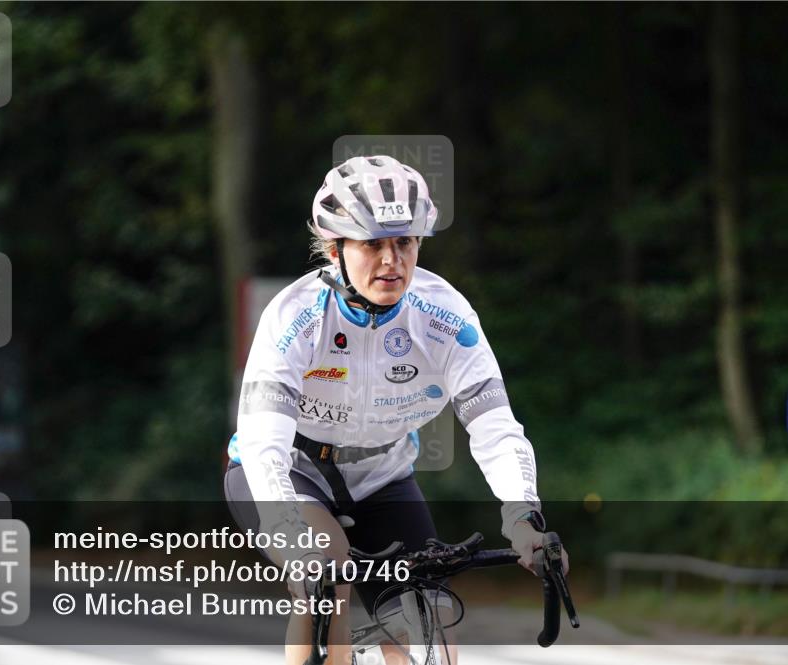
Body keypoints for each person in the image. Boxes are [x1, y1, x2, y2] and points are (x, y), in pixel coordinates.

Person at [224, 155, 563, 665]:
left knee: (429, 614)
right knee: (325, 578)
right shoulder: (293, 317)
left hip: (382, 476)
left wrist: (522, 518)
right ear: (335, 250)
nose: (392, 261)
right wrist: (293, 532)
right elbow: (262, 442)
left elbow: (495, 427)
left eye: (404, 243)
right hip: (288, 472)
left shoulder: (445, 316)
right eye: (373, 245)